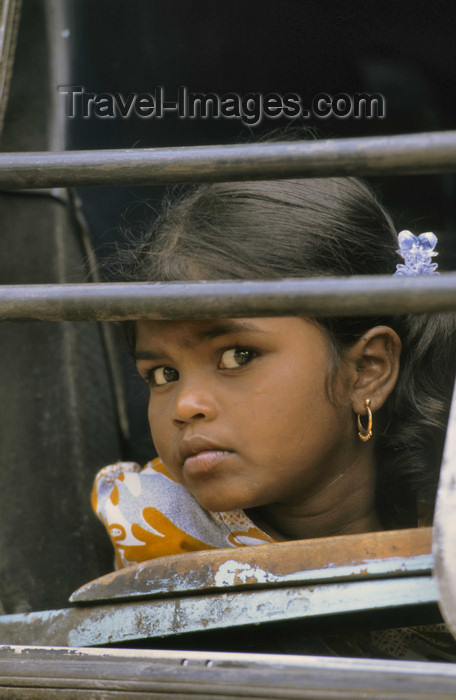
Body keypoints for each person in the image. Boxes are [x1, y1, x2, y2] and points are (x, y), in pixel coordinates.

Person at [92, 176, 456, 575]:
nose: (184, 405)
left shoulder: (445, 519)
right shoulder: (154, 529)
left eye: (237, 356)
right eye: (163, 374)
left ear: (366, 370)